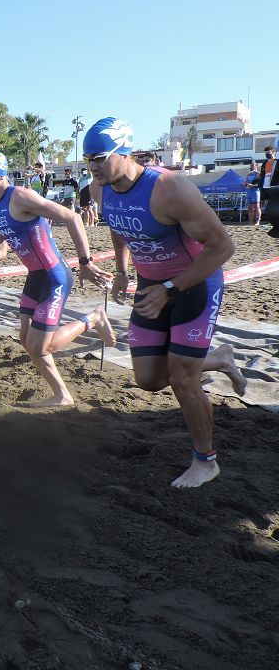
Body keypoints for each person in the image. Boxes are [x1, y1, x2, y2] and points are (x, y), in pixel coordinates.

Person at [86, 117, 246, 489]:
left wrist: (172, 288)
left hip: (195, 284)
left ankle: (206, 461)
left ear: (124, 151)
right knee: (149, 379)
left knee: (183, 380)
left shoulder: (171, 189)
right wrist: (123, 271)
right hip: (151, 285)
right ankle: (220, 359)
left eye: (99, 158)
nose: (92, 167)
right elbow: (116, 223)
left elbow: (223, 247)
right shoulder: (100, 190)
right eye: (87, 160)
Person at [0, 150, 116, 407]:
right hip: (34, 279)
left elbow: (71, 217)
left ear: (1, 174)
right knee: (26, 340)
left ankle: (93, 319)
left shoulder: (21, 196)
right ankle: (62, 394)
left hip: (55, 277)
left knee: (40, 347)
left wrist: (85, 262)